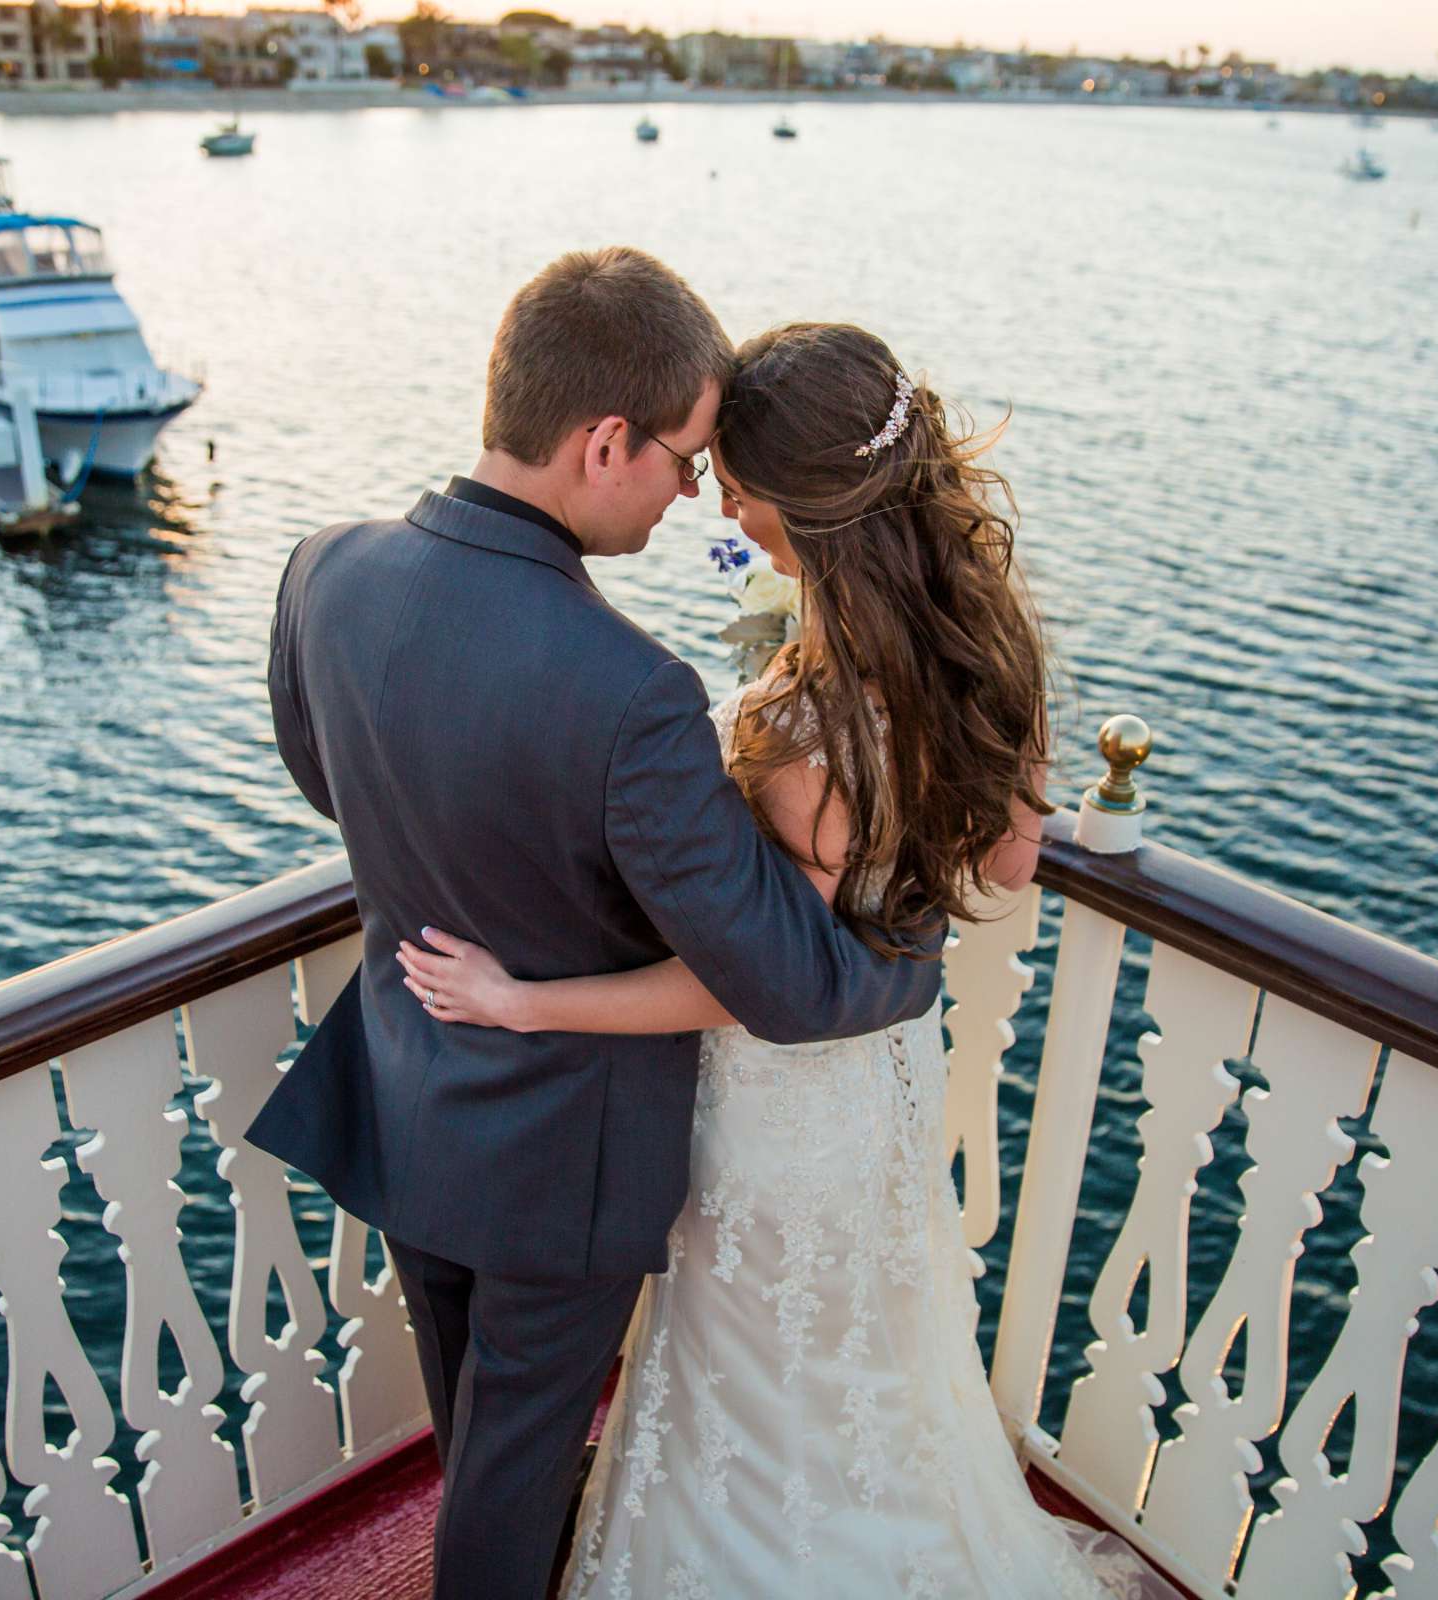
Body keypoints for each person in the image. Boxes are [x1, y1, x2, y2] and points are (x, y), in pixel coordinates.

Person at [397, 322, 1178, 1598]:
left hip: (771, 1113)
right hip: (883, 1089)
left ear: (798, 505)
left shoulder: (799, 727)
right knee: (868, 1373)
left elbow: (749, 986)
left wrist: (525, 1000)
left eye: (734, 481)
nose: (718, 500)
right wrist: (895, 885)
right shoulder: (988, 640)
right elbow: (1016, 860)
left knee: (751, 1383)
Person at [242, 257, 943, 1600]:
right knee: (508, 1485)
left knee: (474, 1436)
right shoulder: (633, 692)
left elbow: (321, 774)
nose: (696, 497)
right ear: (601, 441)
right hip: (561, 1157)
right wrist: (909, 970)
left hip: (406, 1083)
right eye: (685, 461)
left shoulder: (322, 569)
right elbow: (787, 983)